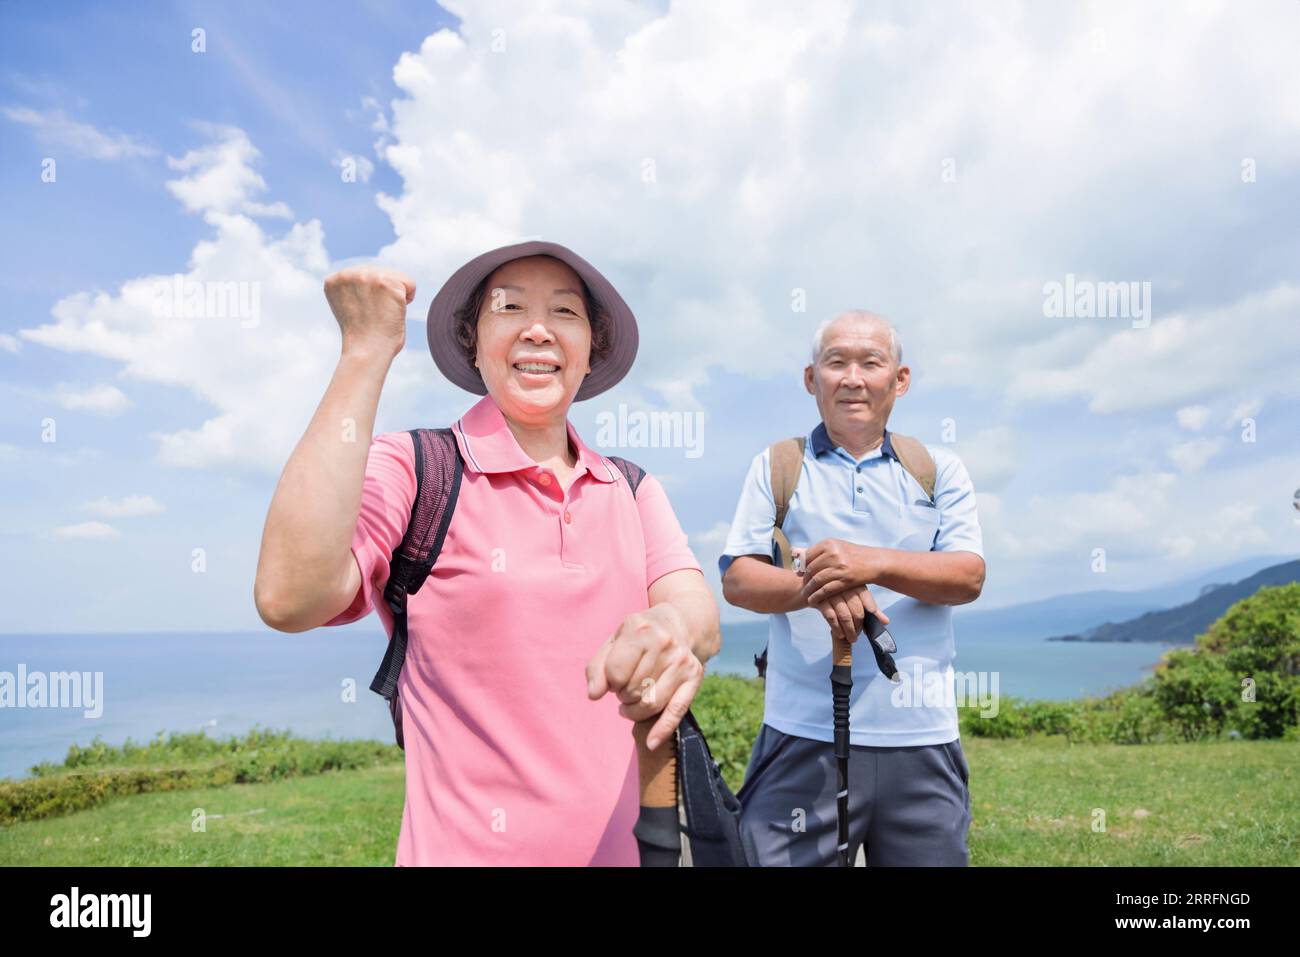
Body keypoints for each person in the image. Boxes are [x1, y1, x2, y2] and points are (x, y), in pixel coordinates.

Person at [254, 241, 719, 866]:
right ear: (474, 343)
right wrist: (364, 353)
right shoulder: (419, 468)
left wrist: (669, 626)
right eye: (508, 307)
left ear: (590, 353)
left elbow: (697, 613)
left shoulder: (631, 487)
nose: (537, 328)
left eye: (565, 311)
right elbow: (290, 596)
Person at [718, 310, 985, 866]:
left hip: (921, 737)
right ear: (812, 379)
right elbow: (738, 579)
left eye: (871, 362)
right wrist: (819, 584)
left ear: (900, 379)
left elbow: (967, 575)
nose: (853, 377)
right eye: (836, 362)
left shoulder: (940, 468)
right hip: (800, 732)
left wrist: (868, 563)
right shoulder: (777, 465)